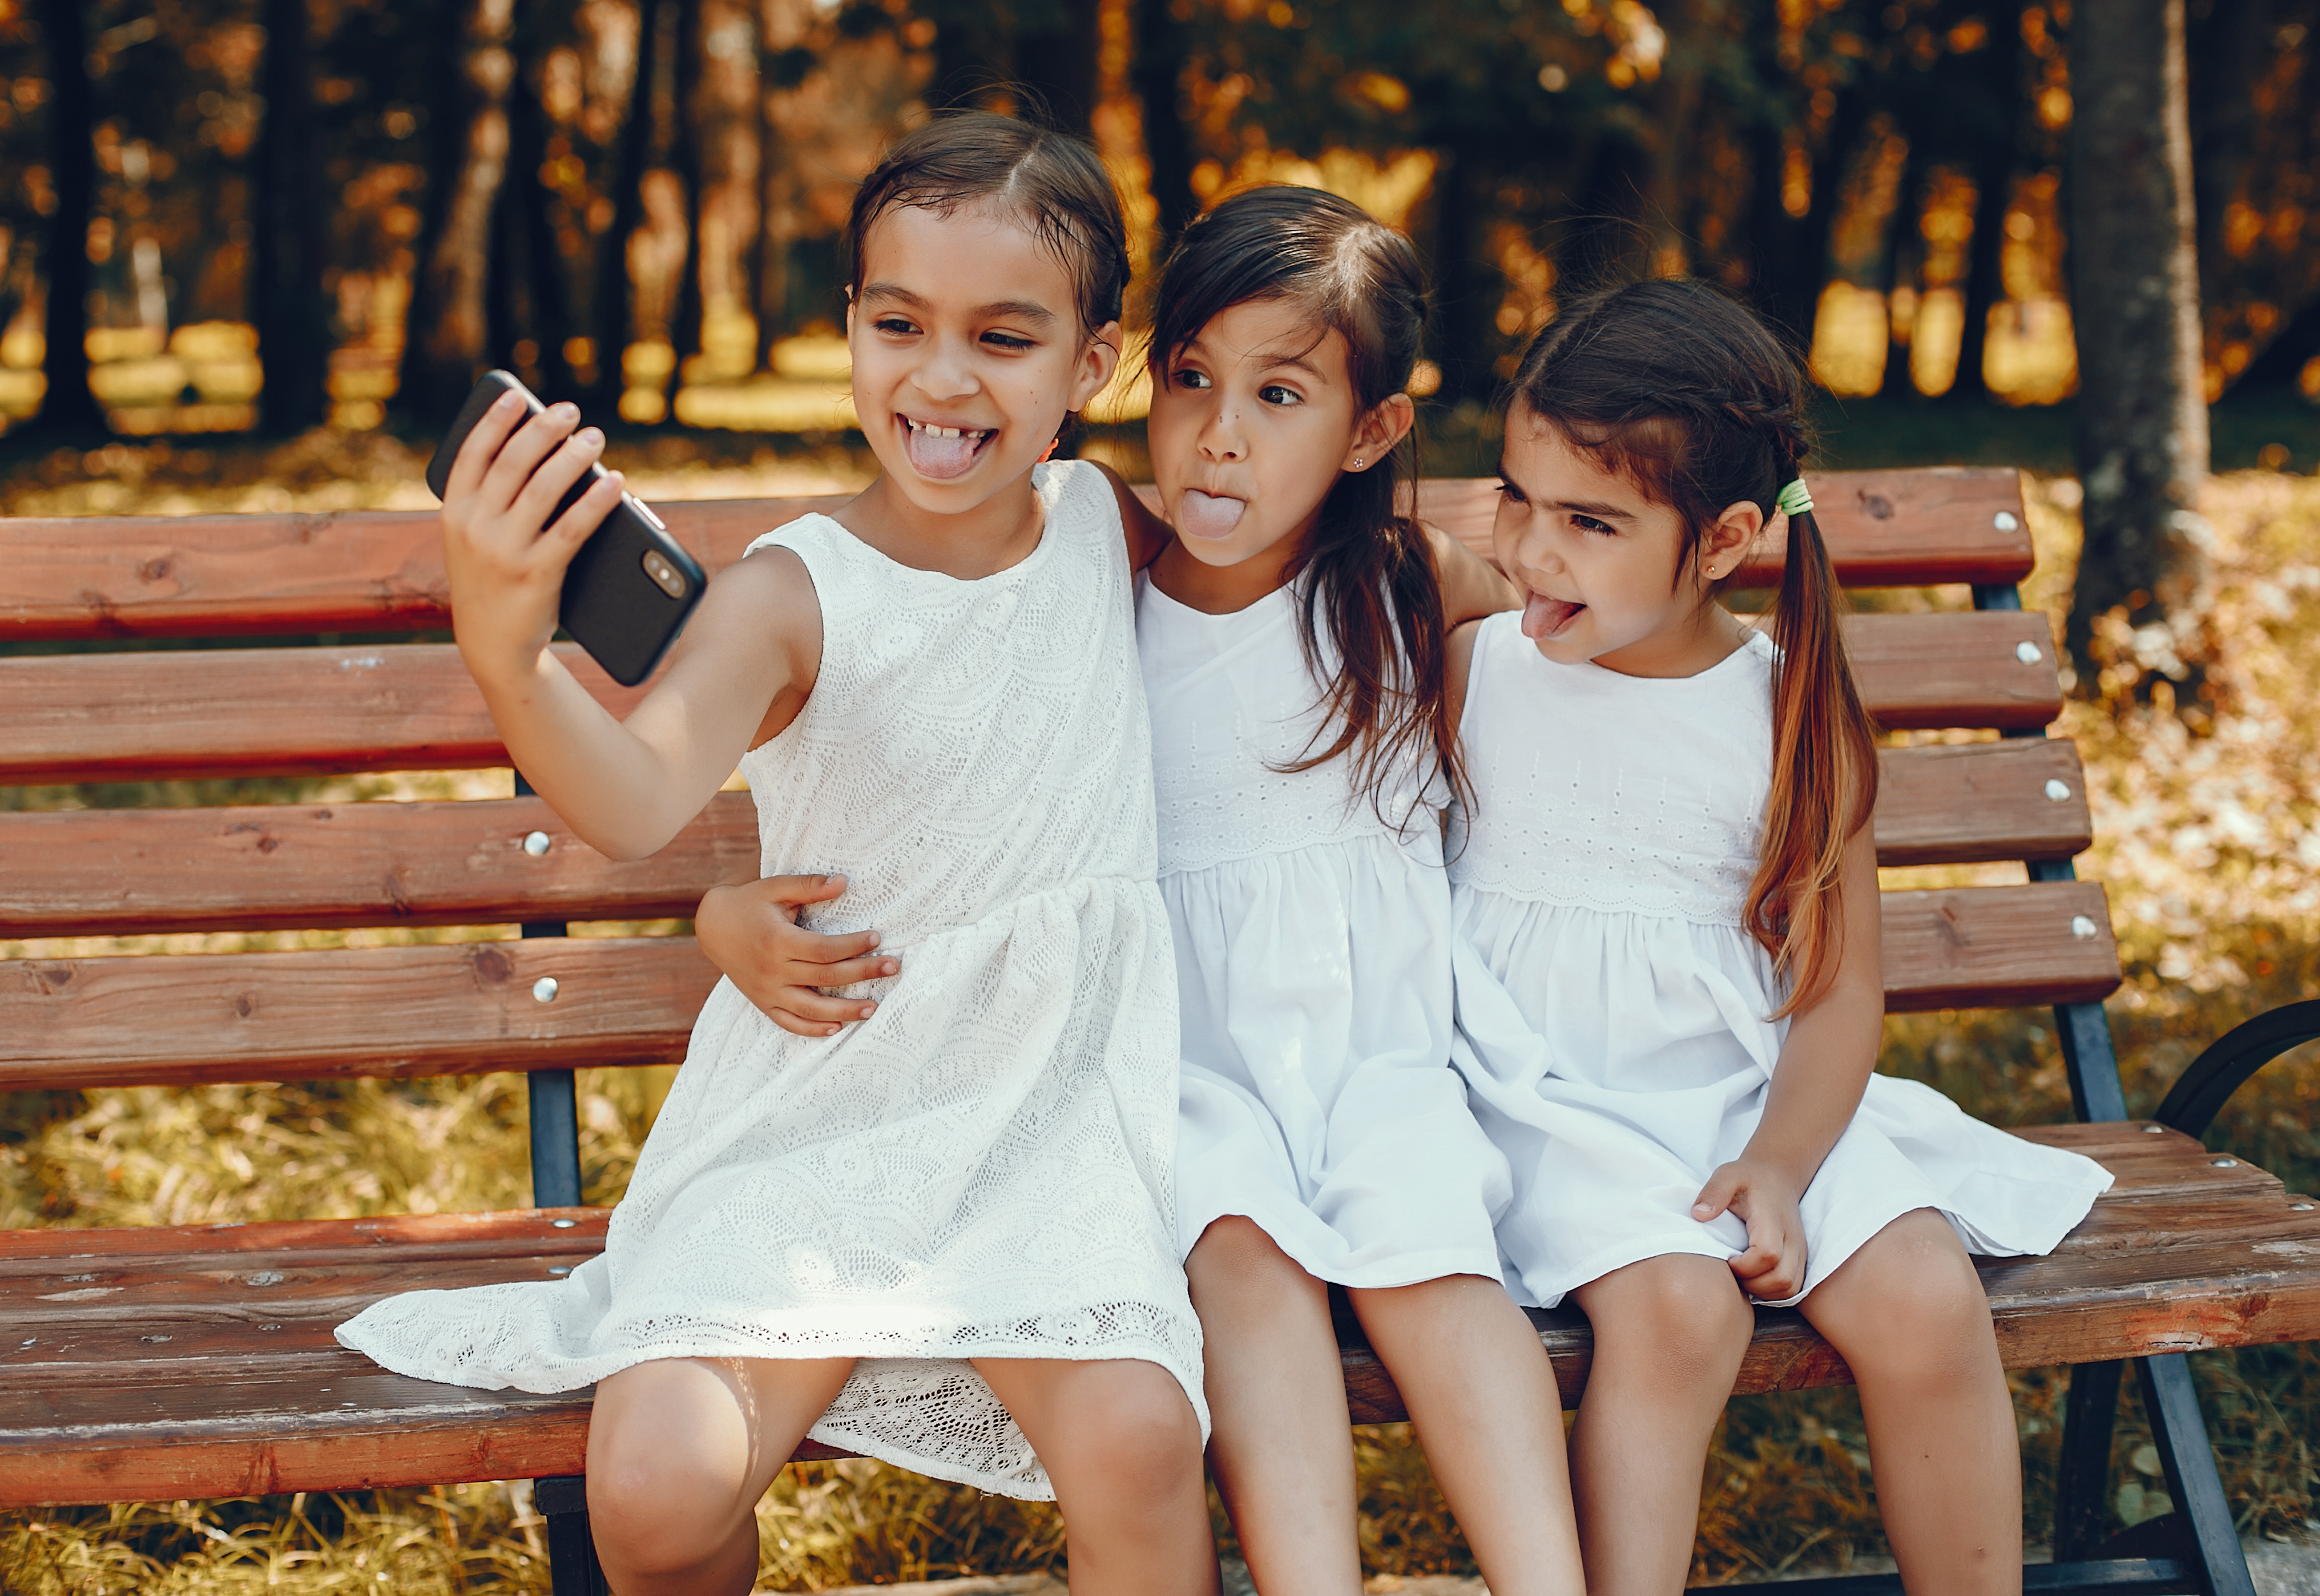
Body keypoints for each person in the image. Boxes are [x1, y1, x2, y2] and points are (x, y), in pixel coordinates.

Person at [335, 112, 1220, 1596]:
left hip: (1044, 1125)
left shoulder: (1104, 533)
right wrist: (514, 659)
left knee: (1137, 1439)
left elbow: (1282, 594)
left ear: (1093, 365)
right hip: (822, 1116)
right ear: (851, 332)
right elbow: (631, 796)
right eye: (899, 324)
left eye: (1004, 338)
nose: (940, 378)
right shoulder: (789, 595)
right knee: (660, 1483)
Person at [702, 186, 1584, 1596]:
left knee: (1437, 1260)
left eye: (1280, 394)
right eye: (1191, 380)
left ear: (1370, 434)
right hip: (1165, 1072)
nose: (1219, 433)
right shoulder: (1094, 582)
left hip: (1387, 1061)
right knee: (1238, 1258)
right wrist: (719, 910)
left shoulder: (1414, 589)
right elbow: (918, 797)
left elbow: (1587, 652)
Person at [1445, 276, 2113, 1596]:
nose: (1532, 551)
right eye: (1517, 498)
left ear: (1726, 538)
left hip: (1752, 1100)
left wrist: (1781, 1163)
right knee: (1676, 1314)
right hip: (1544, 1106)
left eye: (1591, 522)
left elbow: (1838, 993)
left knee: (1925, 1297)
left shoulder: (1788, 710)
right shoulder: (1472, 669)